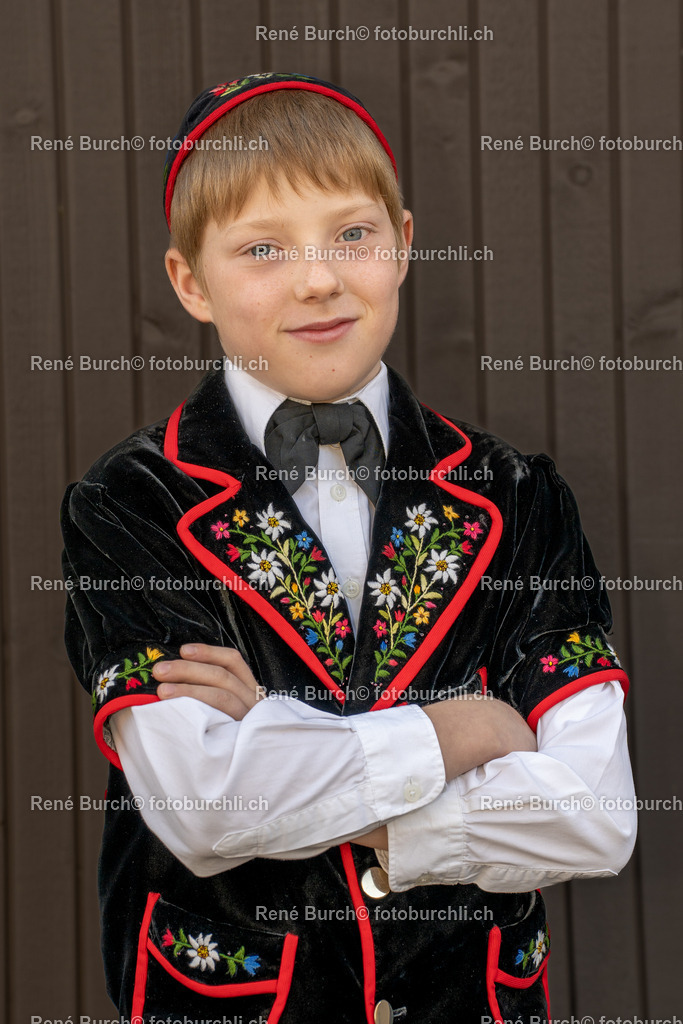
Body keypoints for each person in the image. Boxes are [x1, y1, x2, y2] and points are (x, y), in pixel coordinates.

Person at [60, 72, 637, 1024]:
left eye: (352, 235)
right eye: (262, 249)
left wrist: (289, 745)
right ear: (190, 282)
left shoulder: (519, 496)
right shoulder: (131, 505)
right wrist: (465, 730)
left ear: (403, 245)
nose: (319, 277)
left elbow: (594, 818)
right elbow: (208, 812)